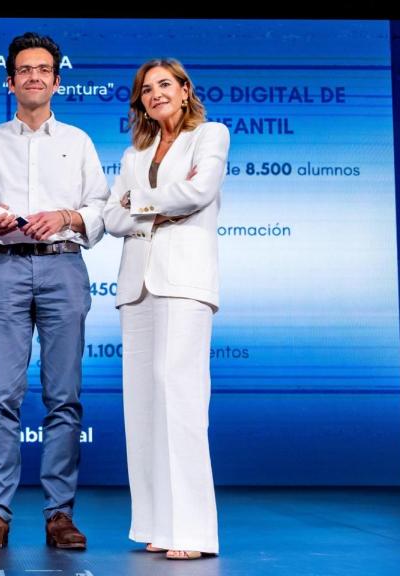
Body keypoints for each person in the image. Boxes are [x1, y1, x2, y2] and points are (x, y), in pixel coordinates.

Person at [0, 32, 109, 551]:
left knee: (63, 397)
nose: (34, 76)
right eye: (24, 69)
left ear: (55, 80)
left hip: (63, 268)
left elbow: (101, 209)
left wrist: (67, 215)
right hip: (5, 268)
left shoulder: (79, 142)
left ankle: (59, 514)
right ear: (10, 80)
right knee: (1, 396)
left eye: (43, 69)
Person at [103, 57, 230, 560]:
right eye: (146, 89)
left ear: (183, 90)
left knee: (180, 400)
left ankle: (193, 531)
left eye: (164, 85)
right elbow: (112, 216)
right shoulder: (135, 152)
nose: (155, 94)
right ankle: (158, 523)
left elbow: (200, 191)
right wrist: (157, 205)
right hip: (138, 285)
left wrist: (142, 203)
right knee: (144, 407)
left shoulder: (211, 135)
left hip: (184, 282)